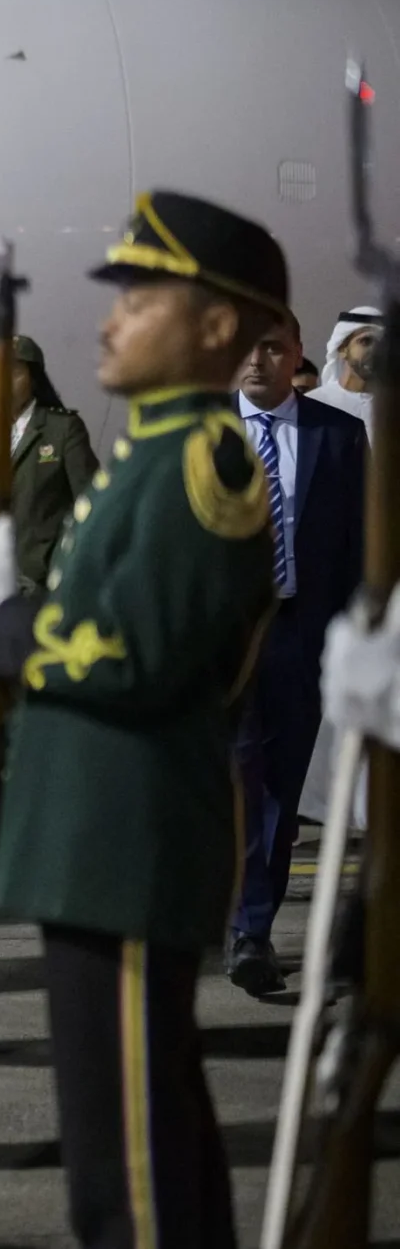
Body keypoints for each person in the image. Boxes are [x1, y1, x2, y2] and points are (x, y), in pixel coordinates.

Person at [0, 189, 282, 1249]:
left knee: (122, 1180)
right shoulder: (147, 457)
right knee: (153, 1158)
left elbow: (131, 655)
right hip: (94, 840)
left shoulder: (204, 462)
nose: (115, 318)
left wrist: (4, 626)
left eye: (144, 298)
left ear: (214, 326)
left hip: (130, 846)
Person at [225, 308, 365, 995]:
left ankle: (251, 929)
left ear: (297, 354)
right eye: (247, 349)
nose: (257, 361)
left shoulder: (340, 437)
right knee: (229, 780)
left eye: (273, 349)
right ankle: (223, 918)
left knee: (277, 791)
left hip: (297, 637)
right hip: (217, 641)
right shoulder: (197, 432)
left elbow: (359, 554)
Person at [6, 336, 100, 596]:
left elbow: (90, 505)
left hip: (38, 582)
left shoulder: (62, 429)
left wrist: (56, 562)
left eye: (13, 373)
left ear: (34, 379)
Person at [315, 304, 380, 424]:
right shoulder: (314, 404)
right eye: (366, 341)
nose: (376, 350)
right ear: (342, 349)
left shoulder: (392, 408)